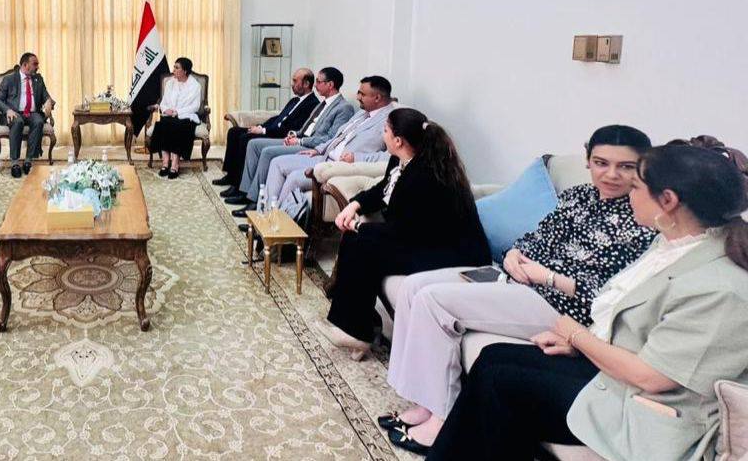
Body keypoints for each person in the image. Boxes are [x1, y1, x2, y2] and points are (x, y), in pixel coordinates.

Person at [428, 144, 748, 461]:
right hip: (617, 381)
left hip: (649, 412)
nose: (628, 194)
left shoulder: (721, 289)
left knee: (501, 383)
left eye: (636, 186)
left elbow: (651, 377)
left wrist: (576, 334)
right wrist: (579, 344)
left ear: (668, 201)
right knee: (493, 358)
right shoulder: (672, 244)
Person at [380, 125, 656, 453]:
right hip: (517, 279)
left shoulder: (643, 216)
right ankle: (425, 402)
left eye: (625, 166)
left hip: (560, 305)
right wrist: (512, 254)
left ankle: (442, 419)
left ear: (643, 167)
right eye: (601, 163)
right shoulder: (579, 195)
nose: (610, 174)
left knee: (433, 301)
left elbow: (611, 295)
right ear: (588, 160)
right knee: (413, 286)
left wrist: (547, 277)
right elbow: (536, 236)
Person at [321, 108, 488, 361]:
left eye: (385, 130)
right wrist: (355, 204)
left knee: (364, 242)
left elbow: (406, 232)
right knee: (358, 239)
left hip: (450, 252)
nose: (382, 135)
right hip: (421, 238)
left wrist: (359, 226)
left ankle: (357, 331)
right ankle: (360, 326)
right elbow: (383, 189)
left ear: (398, 140)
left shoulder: (425, 176)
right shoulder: (400, 161)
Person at [234, 76, 395, 219]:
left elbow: (392, 157)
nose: (357, 97)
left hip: (339, 166)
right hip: (323, 156)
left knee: (294, 177)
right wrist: (319, 149)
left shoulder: (391, 120)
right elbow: (337, 137)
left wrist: (357, 157)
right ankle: (264, 215)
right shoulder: (363, 113)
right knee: (277, 162)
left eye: (362, 94)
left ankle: (276, 223)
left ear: (377, 97)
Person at [224, 66, 356, 205]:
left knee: (267, 152)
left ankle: (254, 199)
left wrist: (300, 141)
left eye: (318, 81)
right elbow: (307, 126)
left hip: (311, 147)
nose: (315, 85)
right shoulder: (323, 103)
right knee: (253, 144)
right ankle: (244, 191)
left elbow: (331, 138)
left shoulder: (343, 108)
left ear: (330, 84)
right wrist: (294, 134)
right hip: (299, 139)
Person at [212, 68, 318, 187]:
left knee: (245, 138)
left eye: (295, 81)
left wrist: (263, 131)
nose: (292, 84)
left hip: (279, 135)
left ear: (306, 84)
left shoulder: (312, 104)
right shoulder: (294, 100)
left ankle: (238, 183)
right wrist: (260, 126)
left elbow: (292, 128)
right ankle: (230, 176)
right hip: (271, 130)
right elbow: (278, 118)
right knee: (233, 132)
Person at [0, 53, 54, 178]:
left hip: (32, 113)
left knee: (38, 121)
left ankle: (28, 160)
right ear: (25, 65)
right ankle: (15, 163)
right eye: (35, 64)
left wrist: (48, 101)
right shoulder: (9, 79)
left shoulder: (38, 79)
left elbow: (46, 96)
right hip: (14, 113)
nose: (37, 67)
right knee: (18, 122)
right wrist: (7, 110)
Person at [149, 57, 203, 179]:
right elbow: (163, 102)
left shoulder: (195, 85)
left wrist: (177, 112)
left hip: (186, 116)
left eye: (177, 67)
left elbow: (195, 106)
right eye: (174, 67)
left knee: (178, 126)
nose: (173, 70)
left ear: (185, 71)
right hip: (169, 115)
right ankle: (165, 163)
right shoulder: (170, 83)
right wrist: (165, 110)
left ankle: (174, 164)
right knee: (162, 124)